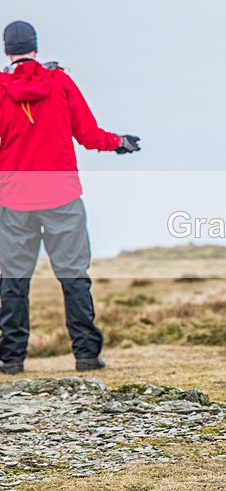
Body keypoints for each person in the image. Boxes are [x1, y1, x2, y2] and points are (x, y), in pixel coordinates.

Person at [0, 21, 141, 375]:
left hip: (15, 198)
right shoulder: (60, 82)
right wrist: (119, 142)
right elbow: (88, 133)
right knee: (73, 276)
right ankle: (86, 355)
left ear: (7, 50)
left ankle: (12, 359)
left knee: (14, 278)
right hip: (62, 196)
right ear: (35, 47)